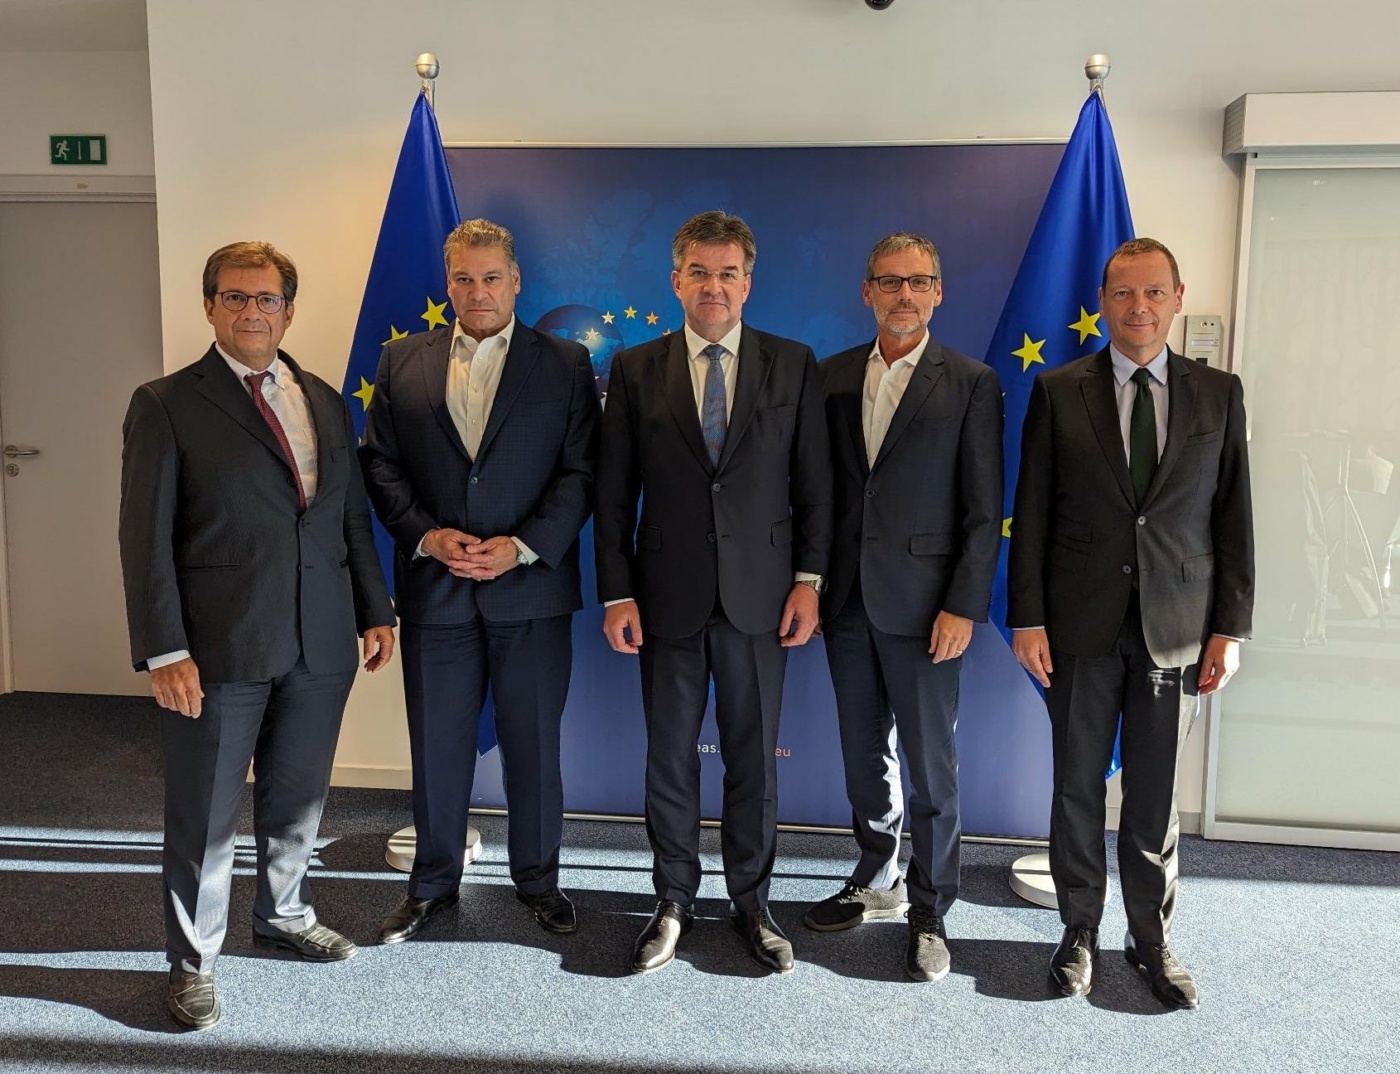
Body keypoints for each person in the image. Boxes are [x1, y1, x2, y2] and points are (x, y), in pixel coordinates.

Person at [119, 241, 397, 1031]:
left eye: (266, 298)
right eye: (235, 297)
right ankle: (193, 960)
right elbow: (144, 537)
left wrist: (375, 609)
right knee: (205, 812)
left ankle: (284, 913)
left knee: (298, 794)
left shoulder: (326, 399)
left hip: (320, 638)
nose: (251, 311)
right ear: (210, 306)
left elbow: (348, 517)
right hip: (217, 646)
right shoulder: (166, 403)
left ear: (288, 311)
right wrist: (165, 648)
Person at [1008, 237, 1254, 1009]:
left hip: (1176, 628)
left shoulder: (1219, 393)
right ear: (1104, 301)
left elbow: (1234, 516)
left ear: (1177, 298)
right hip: (1078, 626)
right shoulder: (1059, 390)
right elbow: (1032, 513)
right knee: (1076, 790)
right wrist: (1026, 618)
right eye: (1122, 293)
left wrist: (1230, 629)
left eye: (1152, 292)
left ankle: (1150, 939)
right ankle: (1078, 930)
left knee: (1153, 799)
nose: (1137, 307)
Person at [594, 210, 832, 976]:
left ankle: (751, 903)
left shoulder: (792, 363)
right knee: (670, 759)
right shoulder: (636, 368)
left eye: (728, 273)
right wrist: (617, 593)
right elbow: (612, 495)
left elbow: (816, 486)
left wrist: (809, 582)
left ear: (748, 283)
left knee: (753, 761)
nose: (714, 286)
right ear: (676, 281)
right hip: (665, 598)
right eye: (699, 272)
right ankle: (673, 900)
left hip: (763, 600)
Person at [359, 218, 599, 945]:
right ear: (449, 282)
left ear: (516, 281)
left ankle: (539, 882)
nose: (478, 291)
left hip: (530, 589)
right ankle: (432, 885)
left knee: (534, 747)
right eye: (464, 278)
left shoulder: (564, 363)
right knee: (437, 747)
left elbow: (582, 472)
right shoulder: (401, 359)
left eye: (491, 277)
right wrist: (426, 535)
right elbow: (379, 464)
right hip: (436, 590)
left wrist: (522, 547)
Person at [805, 233, 1002, 982]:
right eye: (890, 282)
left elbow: (983, 510)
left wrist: (963, 606)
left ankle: (932, 908)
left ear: (938, 293)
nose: (905, 295)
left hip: (928, 610)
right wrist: (812, 583)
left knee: (931, 765)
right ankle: (877, 873)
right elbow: (818, 495)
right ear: (868, 292)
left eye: (919, 282)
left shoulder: (971, 382)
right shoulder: (830, 376)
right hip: (847, 601)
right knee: (864, 753)